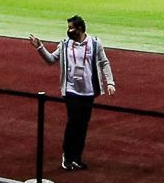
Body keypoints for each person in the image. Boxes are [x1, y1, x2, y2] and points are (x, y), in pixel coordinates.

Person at [32, 15, 115, 172]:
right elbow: (51, 59)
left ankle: (77, 157)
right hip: (71, 91)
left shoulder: (95, 43)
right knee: (73, 122)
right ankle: (67, 156)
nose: (68, 31)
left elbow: (104, 62)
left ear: (80, 28)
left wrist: (110, 82)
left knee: (83, 125)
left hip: (88, 91)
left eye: (71, 28)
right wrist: (40, 47)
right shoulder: (65, 45)